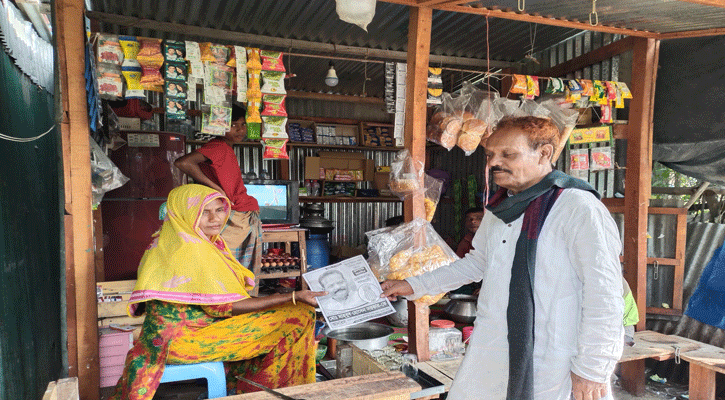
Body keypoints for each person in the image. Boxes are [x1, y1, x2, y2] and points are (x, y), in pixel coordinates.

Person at [381, 116, 624, 400]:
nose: (494, 163)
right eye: (490, 155)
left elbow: (604, 295)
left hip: (554, 356)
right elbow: (476, 263)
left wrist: (593, 369)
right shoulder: (502, 209)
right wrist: (413, 285)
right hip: (493, 347)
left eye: (508, 154)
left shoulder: (578, 208)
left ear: (545, 153)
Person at [109, 185, 326, 399]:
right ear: (186, 214)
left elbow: (224, 299)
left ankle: (254, 388)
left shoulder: (170, 240)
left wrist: (285, 300)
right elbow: (223, 307)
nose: (215, 218)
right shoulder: (190, 249)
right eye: (204, 212)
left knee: (291, 311)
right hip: (183, 341)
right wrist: (292, 297)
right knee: (298, 316)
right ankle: (266, 392)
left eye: (219, 210)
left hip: (172, 335)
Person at [174, 104, 261, 269]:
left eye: (243, 125)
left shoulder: (225, 148)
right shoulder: (219, 147)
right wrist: (216, 190)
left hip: (239, 212)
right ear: (219, 126)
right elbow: (183, 162)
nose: (240, 130)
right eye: (233, 125)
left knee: (230, 267)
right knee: (226, 267)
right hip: (233, 213)